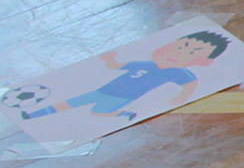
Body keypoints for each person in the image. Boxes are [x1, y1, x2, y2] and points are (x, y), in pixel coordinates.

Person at [24, 32, 230, 122]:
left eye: (192, 52)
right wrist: (108, 59)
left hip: (121, 99)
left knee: (98, 112)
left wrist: (181, 98)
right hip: (102, 90)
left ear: (203, 61)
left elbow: (191, 82)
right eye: (181, 46)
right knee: (69, 103)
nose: (180, 52)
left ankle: (123, 114)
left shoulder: (178, 72)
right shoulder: (147, 63)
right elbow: (118, 66)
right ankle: (33, 115)